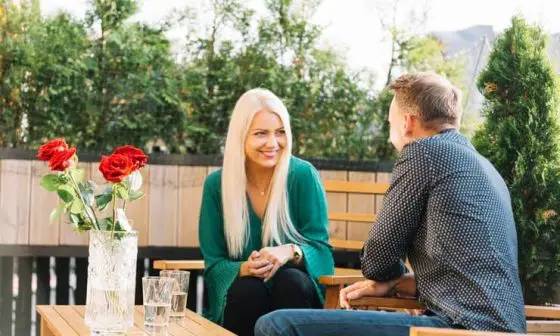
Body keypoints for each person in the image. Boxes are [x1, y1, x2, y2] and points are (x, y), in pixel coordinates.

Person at [255, 72, 527, 336]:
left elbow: (377, 261)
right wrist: (405, 283)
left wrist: (388, 277)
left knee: (276, 326)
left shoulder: (423, 152)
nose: (389, 135)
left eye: (389, 124)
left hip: (459, 329)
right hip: (497, 328)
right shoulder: (486, 168)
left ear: (407, 123)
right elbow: (469, 272)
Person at [198, 88, 335, 336]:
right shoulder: (216, 186)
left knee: (289, 280)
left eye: (280, 132)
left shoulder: (303, 176)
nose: (273, 143)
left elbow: (323, 255)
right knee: (248, 289)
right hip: (243, 299)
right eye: (261, 134)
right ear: (241, 137)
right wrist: (243, 269)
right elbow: (214, 264)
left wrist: (290, 251)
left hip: (296, 296)